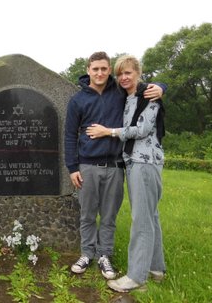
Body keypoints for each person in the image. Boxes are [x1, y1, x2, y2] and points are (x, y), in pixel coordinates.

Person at [64, 51, 165, 280]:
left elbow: (141, 86)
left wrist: (161, 85)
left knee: (109, 216)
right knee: (88, 215)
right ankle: (87, 253)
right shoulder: (78, 100)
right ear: (88, 70)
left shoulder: (119, 93)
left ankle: (104, 255)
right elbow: (70, 135)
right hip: (87, 166)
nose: (99, 73)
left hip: (116, 166)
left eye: (104, 68)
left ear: (109, 70)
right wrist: (72, 167)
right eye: (95, 69)